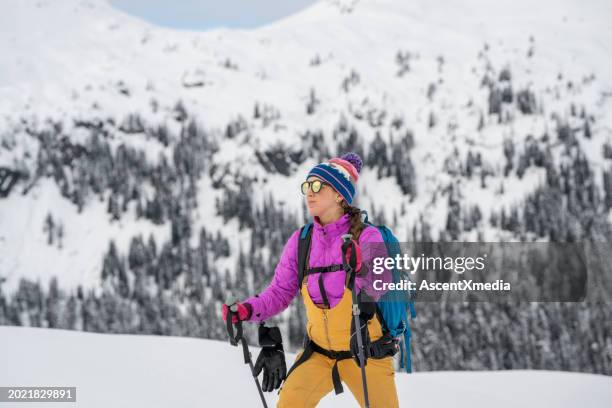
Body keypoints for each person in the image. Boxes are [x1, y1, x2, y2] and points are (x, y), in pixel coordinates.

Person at [222, 153, 400, 407]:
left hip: (364, 352)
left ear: (340, 195)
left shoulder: (367, 236)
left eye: (317, 186)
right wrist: (247, 309)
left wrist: (360, 268)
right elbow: (280, 291)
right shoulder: (302, 240)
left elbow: (381, 280)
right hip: (318, 353)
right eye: (307, 186)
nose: (310, 192)